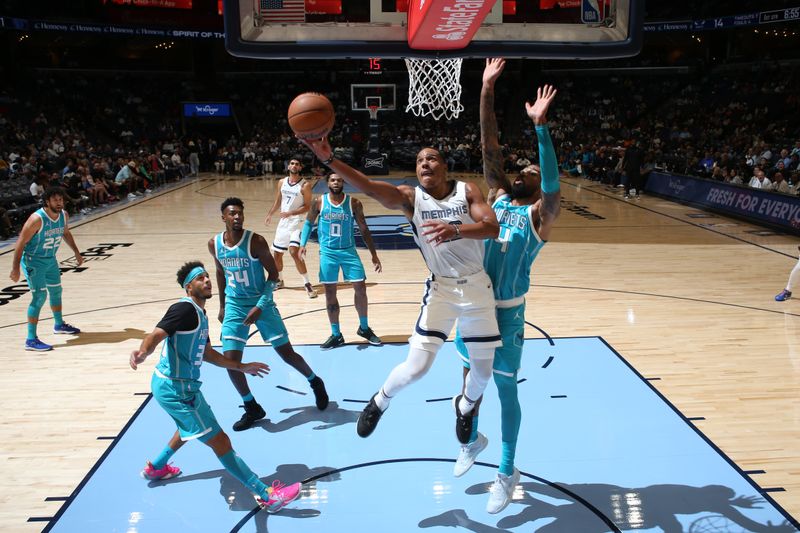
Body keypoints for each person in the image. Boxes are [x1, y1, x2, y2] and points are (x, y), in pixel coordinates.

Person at [300, 132, 502, 444]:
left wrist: (455, 229)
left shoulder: (467, 190)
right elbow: (368, 186)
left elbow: (491, 228)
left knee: (483, 374)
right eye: (420, 160)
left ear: (445, 166)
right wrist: (330, 160)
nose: (425, 163)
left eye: (431, 158)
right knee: (416, 368)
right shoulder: (411, 197)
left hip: (477, 287)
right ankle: (378, 402)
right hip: (442, 290)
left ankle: (465, 407)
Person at [450, 58, 562, 515]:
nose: (525, 172)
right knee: (464, 384)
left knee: (505, 391)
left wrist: (541, 129)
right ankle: (473, 438)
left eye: (532, 173)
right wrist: (485, 90)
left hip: (508, 314)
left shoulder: (539, 217)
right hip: (473, 304)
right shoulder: (498, 196)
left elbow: (553, 185)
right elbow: (488, 142)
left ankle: (507, 471)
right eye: (525, 170)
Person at [129, 261, 302, 513]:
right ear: (189, 287)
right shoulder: (183, 309)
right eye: (200, 278)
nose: (207, 280)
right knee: (220, 441)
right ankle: (266, 494)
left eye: (208, 276)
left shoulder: (199, 314)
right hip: (175, 389)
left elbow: (207, 353)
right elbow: (156, 334)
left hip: (186, 388)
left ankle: (156, 467)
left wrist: (241, 366)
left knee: (189, 428)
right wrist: (143, 352)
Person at [209, 197, 328, 431]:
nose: (237, 217)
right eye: (232, 214)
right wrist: (222, 306)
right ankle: (252, 406)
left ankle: (315, 382)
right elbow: (220, 273)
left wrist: (261, 306)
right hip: (234, 304)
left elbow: (273, 275)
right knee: (230, 362)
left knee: (286, 354)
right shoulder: (214, 244)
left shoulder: (256, 242)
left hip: (261, 302)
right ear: (223, 217)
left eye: (240, 213)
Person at [298, 173, 383, 350]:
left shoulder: (354, 203)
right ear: (327, 183)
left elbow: (364, 229)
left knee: (360, 287)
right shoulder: (319, 202)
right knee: (330, 292)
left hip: (349, 251)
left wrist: (373, 254)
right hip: (328, 252)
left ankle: (364, 328)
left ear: (343, 182)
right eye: (333, 180)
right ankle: (336, 335)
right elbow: (308, 223)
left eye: (339, 180)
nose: (336, 182)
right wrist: (302, 244)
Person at [9, 186, 83, 351]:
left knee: (56, 291)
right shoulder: (37, 219)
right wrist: (15, 268)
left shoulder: (63, 215)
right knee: (40, 296)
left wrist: (77, 252)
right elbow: (20, 243)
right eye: (55, 200)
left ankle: (58, 325)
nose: (59, 203)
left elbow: (66, 233)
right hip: (33, 261)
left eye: (61, 199)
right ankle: (31, 339)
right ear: (47, 201)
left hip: (50, 260)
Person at [263, 158, 317, 298]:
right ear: (288, 166)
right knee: (277, 254)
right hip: (284, 221)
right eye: (292, 163)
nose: (294, 166)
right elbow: (278, 201)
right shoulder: (282, 182)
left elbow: (307, 206)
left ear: (300, 168)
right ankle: (280, 280)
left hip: (297, 221)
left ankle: (307, 284)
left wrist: (291, 213)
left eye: (297, 164)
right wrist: (270, 214)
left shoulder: (305, 185)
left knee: (294, 252)